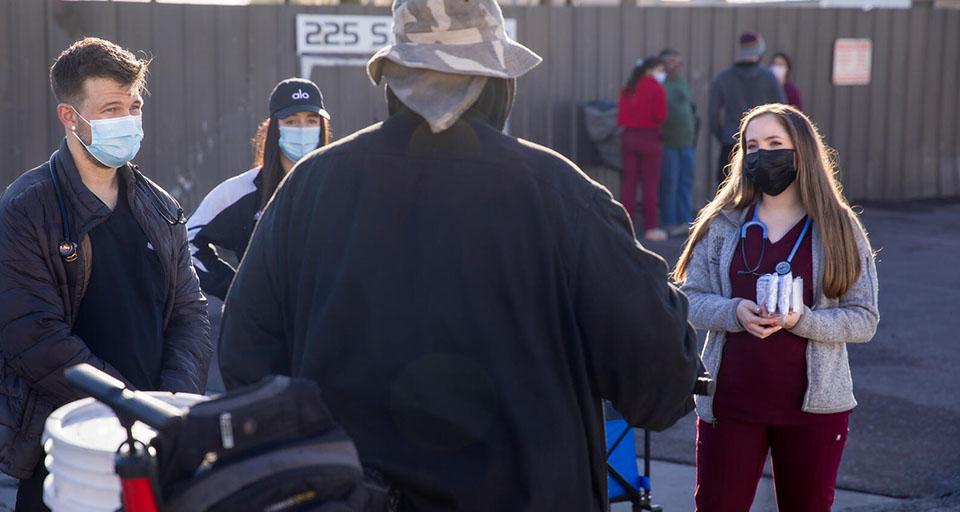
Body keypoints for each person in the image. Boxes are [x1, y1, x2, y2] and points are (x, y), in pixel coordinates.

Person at [219, 0, 702, 510]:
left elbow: (245, 359)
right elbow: (660, 382)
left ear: (393, 79)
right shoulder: (562, 195)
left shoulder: (310, 188)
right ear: (500, 83)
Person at [0, 37, 212, 511]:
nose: (128, 120)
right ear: (70, 117)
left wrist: (169, 405)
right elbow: (33, 337)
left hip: (153, 447)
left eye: (134, 106)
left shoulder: (160, 207)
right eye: (111, 109)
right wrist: (126, 407)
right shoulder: (27, 209)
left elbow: (189, 313)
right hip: (67, 451)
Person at [673, 103, 879, 511]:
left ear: (800, 151)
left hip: (814, 409)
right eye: (751, 146)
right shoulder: (724, 222)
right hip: (731, 404)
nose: (761, 155)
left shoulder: (838, 226)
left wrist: (803, 320)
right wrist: (734, 312)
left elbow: (864, 319)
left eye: (773, 144)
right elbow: (687, 299)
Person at [187, 78, 332, 300]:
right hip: (262, 330)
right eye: (291, 122)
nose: (302, 130)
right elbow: (186, 242)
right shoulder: (242, 191)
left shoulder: (341, 186)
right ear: (274, 128)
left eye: (311, 121)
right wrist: (237, 290)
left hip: (327, 326)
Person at [709, 32, 786, 185]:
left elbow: (713, 114)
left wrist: (723, 135)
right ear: (759, 51)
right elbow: (783, 111)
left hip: (731, 143)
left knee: (728, 194)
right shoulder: (768, 78)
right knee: (759, 194)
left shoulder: (724, 78)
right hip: (762, 146)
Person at [617, 56, 668, 241]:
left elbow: (620, 116)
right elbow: (661, 115)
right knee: (650, 184)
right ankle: (651, 227)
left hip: (628, 137)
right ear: (650, 70)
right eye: (660, 69)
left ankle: (625, 225)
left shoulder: (628, 88)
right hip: (650, 138)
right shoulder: (656, 88)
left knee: (628, 183)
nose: (663, 73)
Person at [658, 48, 697, 237]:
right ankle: (669, 222)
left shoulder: (681, 82)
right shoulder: (661, 83)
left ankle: (686, 221)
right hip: (669, 143)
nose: (674, 64)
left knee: (685, 182)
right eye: (669, 60)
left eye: (677, 60)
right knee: (670, 182)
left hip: (686, 143)